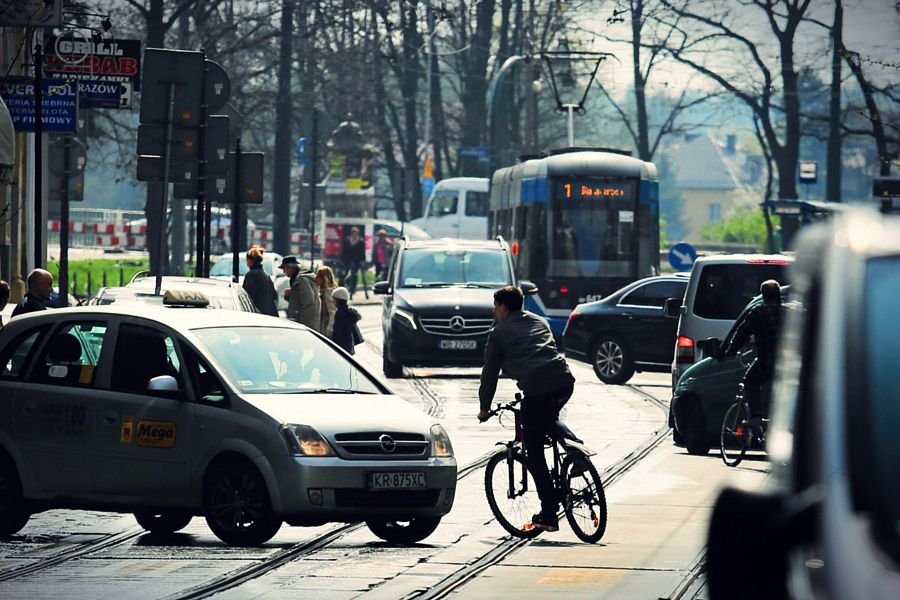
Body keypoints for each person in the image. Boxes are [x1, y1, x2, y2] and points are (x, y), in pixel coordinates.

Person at [477, 285, 576, 532]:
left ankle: (549, 514)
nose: (494, 310)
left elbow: (489, 373)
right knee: (545, 419)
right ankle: (575, 452)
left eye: (495, 306)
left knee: (534, 451)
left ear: (503, 307)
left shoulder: (498, 332)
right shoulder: (539, 321)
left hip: (537, 387)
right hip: (564, 381)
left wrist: (484, 408)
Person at [722, 279, 784, 420]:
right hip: (789, 364)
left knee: (750, 381)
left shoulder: (758, 312)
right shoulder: (788, 312)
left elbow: (742, 334)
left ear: (763, 295)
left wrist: (730, 351)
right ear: (778, 294)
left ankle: (756, 417)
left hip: (767, 361)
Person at [280, 256, 321, 331]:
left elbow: (308, 302)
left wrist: (299, 321)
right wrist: (290, 295)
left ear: (289, 267)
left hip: (305, 324)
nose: (283, 272)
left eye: (284, 269)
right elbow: (299, 300)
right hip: (306, 322)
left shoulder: (301, 280)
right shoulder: (298, 279)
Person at [242, 246, 278, 316]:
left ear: (250, 261)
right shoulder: (266, 276)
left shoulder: (251, 275)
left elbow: (248, 296)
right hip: (269, 313)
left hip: (257, 314)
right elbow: (274, 295)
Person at [331, 286, 362, 354]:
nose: (332, 301)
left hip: (341, 344)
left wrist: (333, 343)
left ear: (338, 300)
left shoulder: (339, 313)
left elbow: (338, 331)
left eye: (334, 299)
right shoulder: (348, 311)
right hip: (348, 343)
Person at [341, 226, 366, 299]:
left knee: (354, 274)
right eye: (353, 233)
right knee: (346, 274)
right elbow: (344, 251)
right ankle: (346, 286)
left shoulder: (360, 242)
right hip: (348, 260)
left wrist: (363, 261)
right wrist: (343, 259)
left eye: (356, 233)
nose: (355, 235)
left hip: (356, 261)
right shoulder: (347, 241)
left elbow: (362, 252)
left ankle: (353, 288)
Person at [315, 265, 337, 337]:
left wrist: (329, 328)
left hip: (326, 325)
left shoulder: (328, 292)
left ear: (323, 278)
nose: (316, 279)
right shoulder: (322, 291)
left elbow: (332, 312)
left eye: (318, 276)